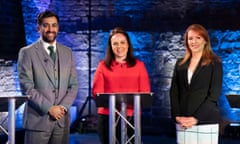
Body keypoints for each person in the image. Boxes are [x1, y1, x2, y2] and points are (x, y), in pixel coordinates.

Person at [17, 10, 78, 144]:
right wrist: (49, 108)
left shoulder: (67, 52)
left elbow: (73, 85)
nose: (50, 29)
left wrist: (62, 108)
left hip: (61, 122)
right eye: (46, 25)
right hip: (37, 122)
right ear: (38, 28)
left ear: (58, 27)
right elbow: (26, 87)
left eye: (54, 25)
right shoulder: (27, 53)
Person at [92, 27, 151, 144]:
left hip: (131, 117)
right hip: (107, 116)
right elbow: (97, 92)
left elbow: (145, 91)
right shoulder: (102, 66)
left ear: (128, 44)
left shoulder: (139, 66)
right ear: (111, 47)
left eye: (122, 42)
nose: (119, 47)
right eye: (115, 44)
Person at [170, 24, 223, 144]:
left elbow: (213, 95)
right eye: (190, 38)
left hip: (206, 121)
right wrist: (177, 116)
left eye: (198, 38)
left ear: (205, 40)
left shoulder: (215, 63)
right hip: (183, 121)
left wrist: (196, 118)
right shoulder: (180, 64)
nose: (194, 41)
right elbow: (174, 92)